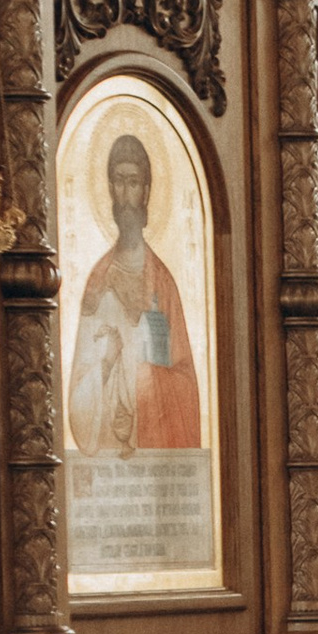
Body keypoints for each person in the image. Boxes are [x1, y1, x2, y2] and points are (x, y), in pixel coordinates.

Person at [66, 131, 202, 458]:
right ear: (110, 188)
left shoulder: (163, 284)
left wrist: (140, 376)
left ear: (146, 191)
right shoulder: (98, 284)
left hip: (153, 457)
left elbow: (186, 383)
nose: (126, 194)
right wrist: (107, 365)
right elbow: (76, 404)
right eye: (118, 181)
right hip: (107, 461)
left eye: (134, 182)